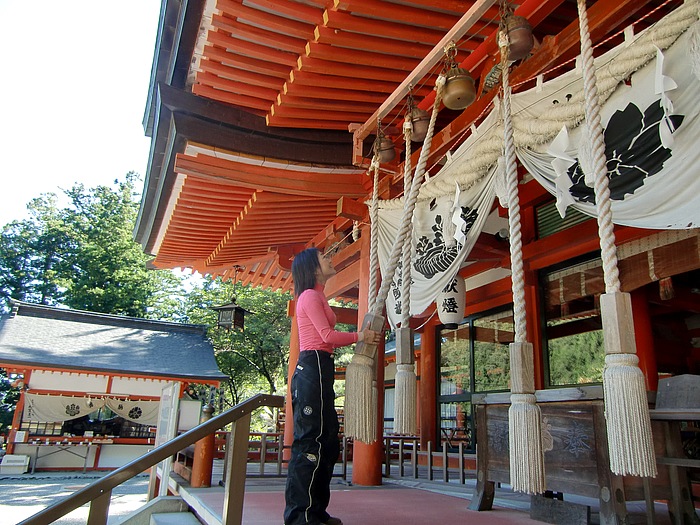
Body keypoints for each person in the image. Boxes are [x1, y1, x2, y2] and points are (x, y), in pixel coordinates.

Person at [284, 247, 380, 525]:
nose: (330, 259)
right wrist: (361, 335)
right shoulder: (310, 296)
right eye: (324, 258)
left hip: (320, 367)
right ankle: (301, 516)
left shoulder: (317, 295)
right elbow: (326, 335)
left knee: (326, 441)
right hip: (312, 365)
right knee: (311, 441)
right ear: (314, 268)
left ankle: (315, 511)